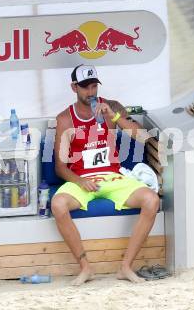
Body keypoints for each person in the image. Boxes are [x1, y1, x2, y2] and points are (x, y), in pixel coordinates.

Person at [52, 64, 160, 285]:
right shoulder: (65, 118)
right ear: (74, 88)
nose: (90, 92)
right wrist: (80, 181)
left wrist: (116, 116)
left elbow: (144, 137)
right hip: (83, 179)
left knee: (151, 200)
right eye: (85, 88)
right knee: (58, 204)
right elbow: (60, 167)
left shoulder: (111, 107)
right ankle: (85, 268)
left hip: (113, 176)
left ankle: (125, 267)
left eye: (93, 86)